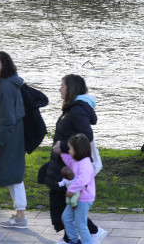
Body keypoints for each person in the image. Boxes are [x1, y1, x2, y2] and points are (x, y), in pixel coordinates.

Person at [42, 74, 106, 244]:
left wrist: (63, 146)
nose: (59, 89)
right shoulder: (73, 107)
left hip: (70, 161)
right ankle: (73, 237)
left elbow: (86, 135)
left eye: (62, 86)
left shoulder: (77, 109)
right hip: (65, 160)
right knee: (62, 199)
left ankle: (85, 234)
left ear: (71, 88)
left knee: (63, 199)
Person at [0, 51, 29, 229]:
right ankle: (20, 216)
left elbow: (7, 118)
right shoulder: (12, 83)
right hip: (13, 137)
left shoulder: (5, 86)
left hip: (6, 138)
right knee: (14, 176)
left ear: (5, 66)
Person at [61, 133, 97, 244]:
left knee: (81, 224)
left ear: (78, 150)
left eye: (70, 149)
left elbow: (83, 180)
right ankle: (74, 240)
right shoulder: (77, 162)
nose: (69, 151)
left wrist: (71, 190)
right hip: (76, 199)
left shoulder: (85, 163)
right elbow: (69, 161)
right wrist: (61, 153)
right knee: (66, 217)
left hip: (84, 199)